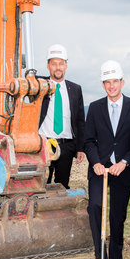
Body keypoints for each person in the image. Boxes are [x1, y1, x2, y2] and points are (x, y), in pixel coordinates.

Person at [83, 60, 130, 259]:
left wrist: (126, 161)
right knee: (96, 207)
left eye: (115, 81)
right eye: (107, 82)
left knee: (118, 217)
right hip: (100, 169)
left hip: (123, 172)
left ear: (122, 82)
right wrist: (96, 162)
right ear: (103, 84)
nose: (111, 86)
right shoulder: (96, 107)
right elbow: (89, 140)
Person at [39, 44, 85, 189]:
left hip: (66, 146)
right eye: (54, 64)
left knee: (62, 187)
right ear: (48, 66)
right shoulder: (39, 85)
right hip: (43, 145)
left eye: (61, 64)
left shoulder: (75, 89)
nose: (57, 67)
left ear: (66, 66)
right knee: (41, 186)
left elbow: (79, 120)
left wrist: (80, 148)